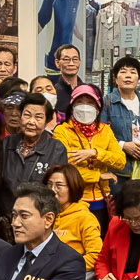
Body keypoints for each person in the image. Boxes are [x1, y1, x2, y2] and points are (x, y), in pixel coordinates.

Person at [52, 86, 127, 216]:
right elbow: (64, 168)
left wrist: (95, 152)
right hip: (72, 200)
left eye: (90, 103)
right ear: (72, 107)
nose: (85, 107)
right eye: (80, 102)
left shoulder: (106, 130)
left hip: (101, 199)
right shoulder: (61, 131)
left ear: (98, 110)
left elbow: (120, 161)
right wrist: (98, 176)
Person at [0, 91, 69, 210]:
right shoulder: (7, 144)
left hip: (39, 218)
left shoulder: (57, 149)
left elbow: (57, 191)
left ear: (47, 121)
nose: (31, 122)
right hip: (7, 217)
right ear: (20, 116)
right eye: (27, 115)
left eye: (38, 117)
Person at [104, 57, 140, 184]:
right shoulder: (107, 103)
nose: (128, 76)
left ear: (138, 79)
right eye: (123, 71)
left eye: (133, 72)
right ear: (116, 78)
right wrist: (123, 145)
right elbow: (101, 133)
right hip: (117, 172)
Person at [45, 163, 104, 272]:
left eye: (58, 185)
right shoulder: (44, 215)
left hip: (66, 276)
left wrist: (64, 267)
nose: (52, 190)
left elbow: (96, 256)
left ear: (72, 187)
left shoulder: (85, 218)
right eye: (49, 185)